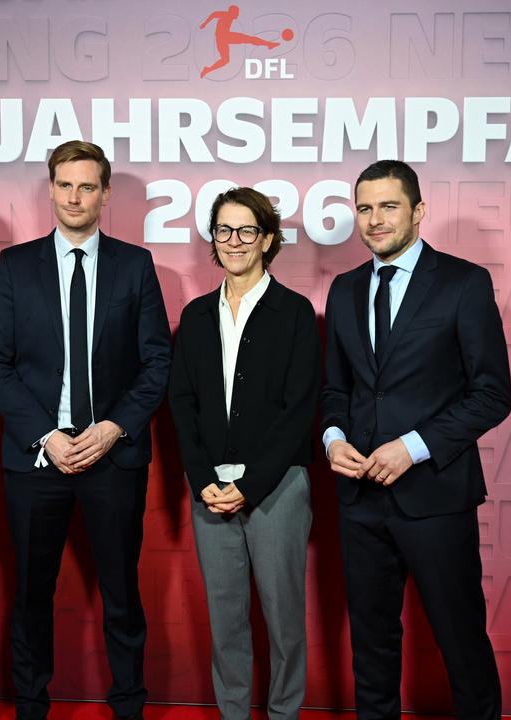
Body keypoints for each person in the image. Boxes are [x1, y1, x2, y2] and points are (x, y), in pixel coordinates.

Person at [0, 140, 171, 720]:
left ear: (105, 194)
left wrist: (113, 428)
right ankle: (31, 707)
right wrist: (45, 434)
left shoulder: (135, 265)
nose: (75, 197)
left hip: (112, 456)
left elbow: (157, 361)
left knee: (121, 595)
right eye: (65, 185)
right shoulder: (17, 266)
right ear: (51, 190)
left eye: (87, 186)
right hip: (38, 457)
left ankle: (129, 707)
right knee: (31, 596)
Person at [321, 160, 511, 720]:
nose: (374, 219)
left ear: (418, 210)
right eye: (364, 208)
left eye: (388, 206)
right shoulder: (344, 289)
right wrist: (333, 438)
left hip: (436, 496)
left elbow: (492, 395)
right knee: (371, 645)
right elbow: (335, 389)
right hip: (360, 500)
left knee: (461, 641)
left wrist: (414, 446)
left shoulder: (463, 283)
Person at [168, 187, 318, 720]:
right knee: (225, 619)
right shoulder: (196, 315)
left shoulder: (295, 313)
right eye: (224, 230)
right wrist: (201, 478)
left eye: (247, 230)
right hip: (209, 489)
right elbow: (181, 403)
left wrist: (250, 486)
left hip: (277, 488)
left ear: (267, 239)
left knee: (284, 621)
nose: (234, 241)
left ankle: (284, 714)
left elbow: (300, 410)